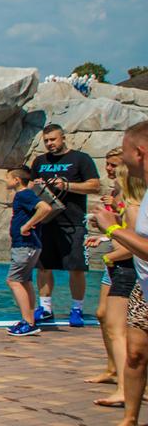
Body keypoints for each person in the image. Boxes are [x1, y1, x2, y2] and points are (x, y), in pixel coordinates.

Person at [90, 121, 148, 425]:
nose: (119, 161)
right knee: (136, 353)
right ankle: (130, 418)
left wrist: (112, 228)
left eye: (123, 152)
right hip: (143, 287)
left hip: (137, 280)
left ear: (139, 152)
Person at [31, 124, 102, 327]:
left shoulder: (80, 159)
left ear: (63, 138)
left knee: (77, 268)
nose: (50, 144)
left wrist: (67, 185)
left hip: (73, 222)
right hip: (45, 221)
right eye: (46, 140)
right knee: (43, 267)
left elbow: (95, 185)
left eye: (53, 139)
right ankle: (45, 308)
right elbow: (31, 186)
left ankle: (77, 309)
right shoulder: (40, 161)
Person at [88, 150, 139, 405]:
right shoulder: (127, 201)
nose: (109, 171)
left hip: (125, 267)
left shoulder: (133, 205)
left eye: (115, 167)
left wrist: (110, 251)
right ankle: (118, 375)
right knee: (105, 318)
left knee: (121, 331)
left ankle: (125, 387)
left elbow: (134, 243)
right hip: (121, 266)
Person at [4, 168, 54, 337]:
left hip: (25, 245)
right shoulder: (25, 194)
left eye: (8, 178)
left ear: (17, 180)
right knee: (24, 281)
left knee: (13, 281)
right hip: (29, 245)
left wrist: (26, 226)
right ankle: (30, 320)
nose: (6, 181)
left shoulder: (24, 194)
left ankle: (28, 323)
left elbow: (45, 208)